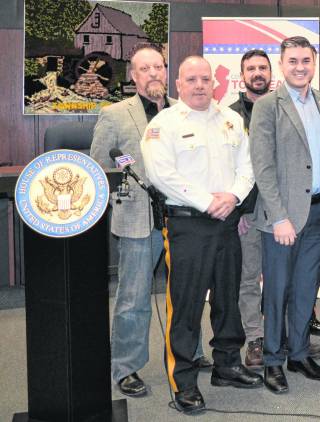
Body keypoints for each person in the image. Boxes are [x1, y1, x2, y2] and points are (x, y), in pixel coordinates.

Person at [141, 56, 262, 414]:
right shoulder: (163, 125)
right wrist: (209, 201)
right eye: (191, 79)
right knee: (186, 305)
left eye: (205, 79)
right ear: (178, 83)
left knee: (228, 297)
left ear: (215, 83)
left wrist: (235, 197)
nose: (199, 85)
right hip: (188, 224)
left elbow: (248, 166)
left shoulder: (231, 119)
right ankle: (185, 382)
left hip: (227, 220)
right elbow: (162, 175)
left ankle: (226, 364)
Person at [90, 45, 210, 398]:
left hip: (185, 218)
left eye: (158, 67)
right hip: (139, 220)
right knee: (134, 297)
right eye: (145, 69)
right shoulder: (114, 114)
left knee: (188, 292)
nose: (153, 74)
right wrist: (122, 195)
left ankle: (192, 352)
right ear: (132, 75)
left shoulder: (185, 109)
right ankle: (126, 366)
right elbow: (101, 167)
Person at [250, 36, 320, 395]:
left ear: (314, 63)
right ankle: (273, 360)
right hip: (282, 219)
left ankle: (299, 354)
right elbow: (263, 166)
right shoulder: (268, 106)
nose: (300, 67)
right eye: (293, 61)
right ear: (282, 65)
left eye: (306, 60)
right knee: (277, 291)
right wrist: (278, 216)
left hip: (319, 212)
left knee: (305, 289)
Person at [230, 48, 270, 369]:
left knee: (284, 276)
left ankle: (285, 335)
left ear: (271, 74)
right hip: (248, 214)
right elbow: (227, 168)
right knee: (248, 277)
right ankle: (255, 338)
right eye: (251, 68)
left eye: (262, 68)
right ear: (241, 76)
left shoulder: (282, 110)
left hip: (283, 211)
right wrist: (239, 210)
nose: (257, 73)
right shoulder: (228, 116)